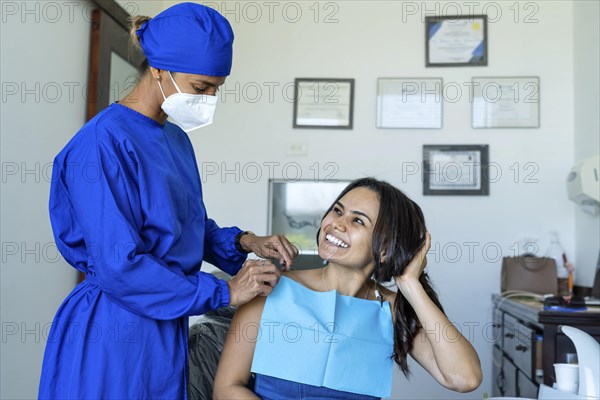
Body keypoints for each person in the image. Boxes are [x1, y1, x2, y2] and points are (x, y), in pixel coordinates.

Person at [38, 3, 297, 399]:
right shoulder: (101, 143)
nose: (209, 98)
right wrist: (224, 292)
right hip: (115, 327)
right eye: (200, 88)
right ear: (158, 69)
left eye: (216, 89)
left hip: (167, 320)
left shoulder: (176, 140)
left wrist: (246, 242)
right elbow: (119, 264)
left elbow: (183, 225)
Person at [213, 178, 482, 399]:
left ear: (385, 248)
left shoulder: (392, 310)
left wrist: (410, 285)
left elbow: (464, 378)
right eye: (338, 211)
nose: (337, 224)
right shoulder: (268, 288)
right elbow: (227, 388)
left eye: (358, 221)